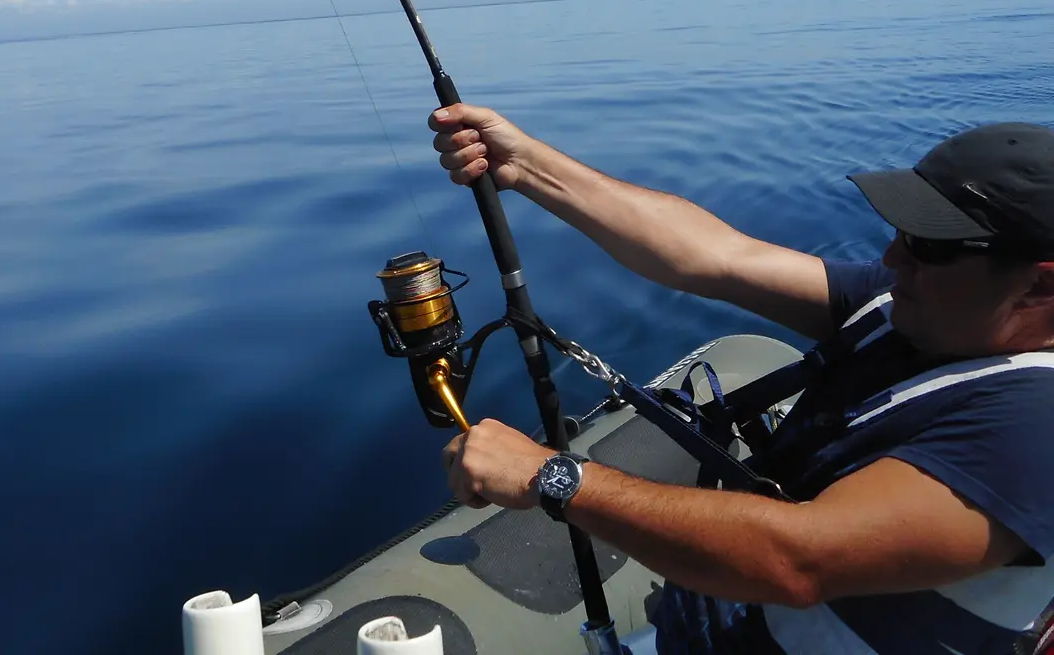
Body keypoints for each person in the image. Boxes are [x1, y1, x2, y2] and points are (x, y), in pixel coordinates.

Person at [430, 105, 1054, 655]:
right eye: (903, 234)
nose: (892, 258)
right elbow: (716, 257)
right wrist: (528, 165)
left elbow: (799, 559)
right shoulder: (914, 307)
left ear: (1040, 284)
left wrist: (553, 476)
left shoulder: (1036, 427)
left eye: (931, 247)